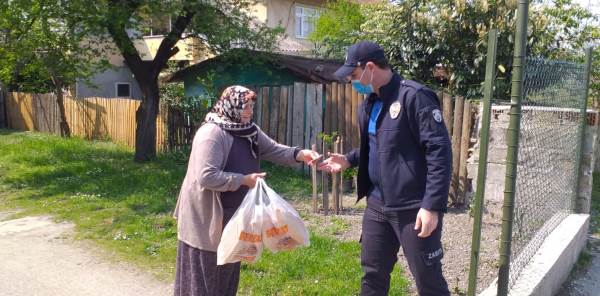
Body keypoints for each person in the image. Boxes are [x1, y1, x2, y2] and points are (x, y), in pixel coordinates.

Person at [318, 41, 452, 296]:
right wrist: (350, 159)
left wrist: (432, 206)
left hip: (412, 208)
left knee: (428, 281)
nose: (351, 82)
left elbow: (439, 153)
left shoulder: (414, 97)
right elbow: (378, 146)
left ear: (369, 67)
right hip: (377, 205)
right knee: (372, 275)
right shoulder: (369, 104)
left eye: (354, 75)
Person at [173, 85, 320, 296]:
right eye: (245, 107)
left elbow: (272, 149)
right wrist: (243, 180)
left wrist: (299, 154)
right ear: (231, 105)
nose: (250, 111)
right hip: (206, 219)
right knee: (205, 277)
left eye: (251, 106)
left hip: (234, 215)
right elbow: (205, 176)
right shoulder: (212, 133)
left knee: (229, 266)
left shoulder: (248, 130)